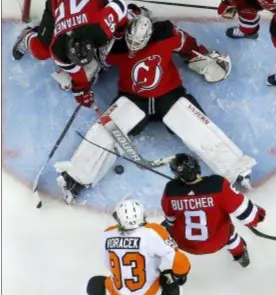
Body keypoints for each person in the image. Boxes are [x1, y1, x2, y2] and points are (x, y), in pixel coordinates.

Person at [54, 15, 256, 204]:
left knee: (198, 128)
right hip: (134, 99)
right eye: (130, 41)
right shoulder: (114, 45)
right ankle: (76, 178)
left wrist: (202, 58)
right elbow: (93, 62)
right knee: (104, 130)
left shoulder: (166, 34)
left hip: (170, 96)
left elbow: (188, 46)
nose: (133, 47)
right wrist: (80, 80)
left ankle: (236, 169)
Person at [65, 199, 191, 295]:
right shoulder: (154, 231)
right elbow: (182, 264)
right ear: (142, 216)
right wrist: (175, 276)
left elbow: (108, 265)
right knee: (173, 286)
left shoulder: (108, 234)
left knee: (93, 283)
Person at [11, 0, 140, 105]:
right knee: (41, 52)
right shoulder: (58, 49)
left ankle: (131, 14)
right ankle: (28, 35)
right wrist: (81, 89)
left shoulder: (100, 28)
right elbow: (77, 76)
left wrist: (120, 29)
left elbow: (119, 4)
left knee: (118, 32)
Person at [160, 153, 266, 267]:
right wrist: (257, 217)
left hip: (184, 244)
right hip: (217, 242)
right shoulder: (217, 185)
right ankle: (241, 256)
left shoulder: (171, 189)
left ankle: (167, 259)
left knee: (167, 226)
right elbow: (248, 215)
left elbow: (170, 219)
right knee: (229, 231)